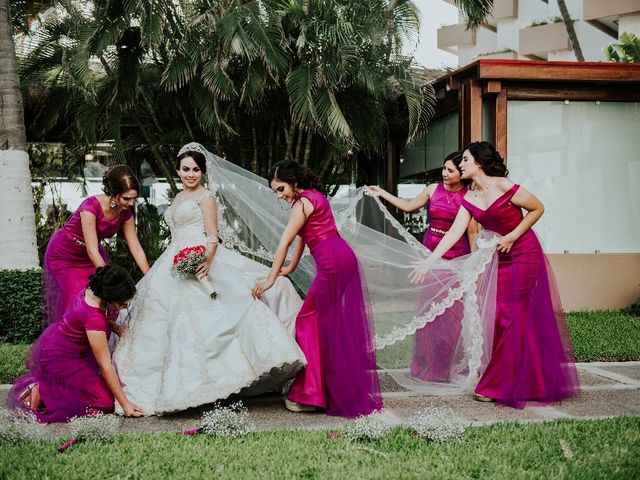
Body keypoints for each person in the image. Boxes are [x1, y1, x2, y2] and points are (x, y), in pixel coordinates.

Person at [111, 146, 306, 415]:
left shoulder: (206, 197)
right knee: (159, 318)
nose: (190, 174)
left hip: (202, 256)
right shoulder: (178, 196)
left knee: (212, 319)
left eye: (196, 170)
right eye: (186, 169)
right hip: (173, 260)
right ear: (178, 170)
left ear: (202, 172)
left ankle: (216, 383)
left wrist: (205, 260)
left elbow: (213, 236)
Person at [410, 141, 580, 408]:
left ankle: (497, 385)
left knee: (510, 315)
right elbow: (454, 233)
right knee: (503, 315)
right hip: (500, 257)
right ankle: (534, 381)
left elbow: (537, 208)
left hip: (524, 252)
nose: (461, 164)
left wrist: (512, 236)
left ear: (478, 163)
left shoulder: (503, 185)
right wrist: (428, 262)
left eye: (464, 160)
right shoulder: (469, 198)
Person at [252, 160, 383, 418]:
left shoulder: (301, 203)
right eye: (276, 191)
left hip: (332, 263)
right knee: (329, 324)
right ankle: (327, 387)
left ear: (295, 183)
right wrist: (290, 267)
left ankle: (310, 394)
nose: (280, 195)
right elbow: (303, 237)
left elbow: (285, 241)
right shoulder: (316, 196)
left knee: (306, 321)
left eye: (281, 189)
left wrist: (269, 279)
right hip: (343, 256)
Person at [368, 151, 479, 382]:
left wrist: (474, 265)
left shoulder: (470, 197)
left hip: (456, 261)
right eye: (444, 168)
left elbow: (471, 232)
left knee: (452, 318)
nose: (444, 173)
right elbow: (409, 206)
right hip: (429, 258)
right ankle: (429, 367)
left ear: (462, 174)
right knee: (430, 315)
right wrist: (382, 194)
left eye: (450, 170)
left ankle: (451, 368)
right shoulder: (432, 189)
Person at [8, 265, 144, 423]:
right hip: (61, 360)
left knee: (94, 392)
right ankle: (41, 389)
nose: (125, 307)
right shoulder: (94, 318)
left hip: (61, 346)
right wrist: (125, 404)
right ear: (109, 296)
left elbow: (86, 321)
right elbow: (106, 365)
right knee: (105, 402)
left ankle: (48, 388)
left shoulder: (91, 292)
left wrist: (114, 327)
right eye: (121, 304)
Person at [43, 165, 150, 325]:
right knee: (77, 297)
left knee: (106, 300)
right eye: (126, 199)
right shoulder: (90, 207)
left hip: (90, 254)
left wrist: (150, 276)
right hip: (65, 254)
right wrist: (111, 281)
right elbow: (92, 250)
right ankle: (74, 342)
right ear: (114, 194)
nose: (131, 203)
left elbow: (136, 248)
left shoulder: (125, 212)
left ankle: (99, 340)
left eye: (134, 199)